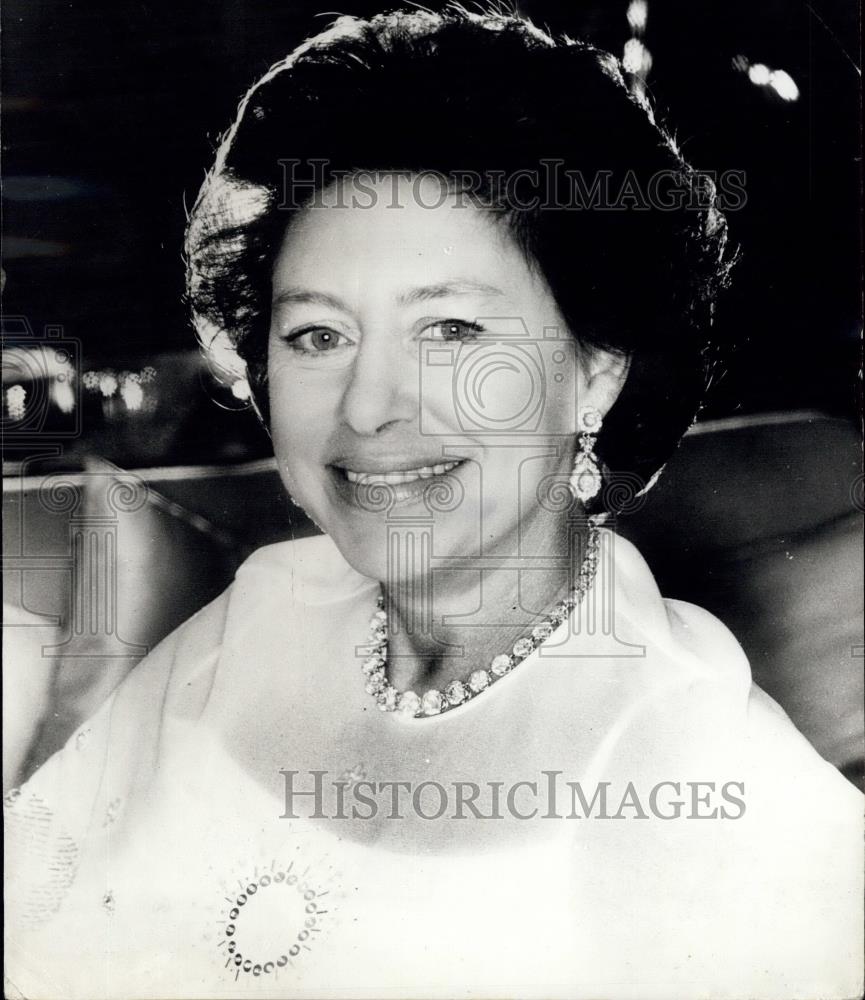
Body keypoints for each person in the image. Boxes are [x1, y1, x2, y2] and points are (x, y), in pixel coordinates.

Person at [5, 8, 862, 999]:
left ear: (597, 370)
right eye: (318, 336)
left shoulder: (716, 783)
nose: (368, 408)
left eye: (451, 329)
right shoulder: (257, 616)